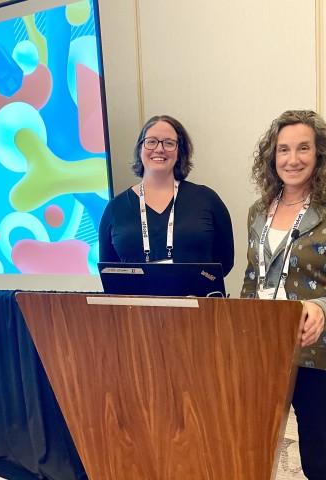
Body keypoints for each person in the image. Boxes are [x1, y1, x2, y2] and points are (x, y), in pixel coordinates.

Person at [241, 110, 326, 480]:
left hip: (315, 354)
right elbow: (251, 277)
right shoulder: (259, 211)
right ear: (271, 157)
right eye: (283, 150)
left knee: (319, 458)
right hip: (261, 349)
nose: (293, 159)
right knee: (252, 451)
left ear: (319, 154)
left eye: (303, 148)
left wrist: (321, 306)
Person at [98, 114, 234, 275]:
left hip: (197, 298)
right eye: (151, 142)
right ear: (140, 149)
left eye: (169, 143)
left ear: (180, 152)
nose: (159, 149)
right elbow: (108, 270)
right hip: (136, 300)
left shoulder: (207, 200)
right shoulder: (116, 208)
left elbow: (225, 261)